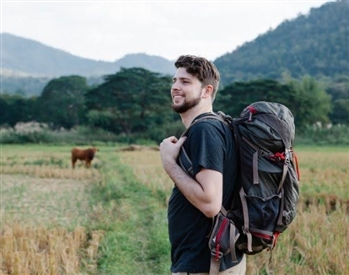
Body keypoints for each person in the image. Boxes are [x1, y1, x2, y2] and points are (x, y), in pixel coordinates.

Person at [160, 55, 246, 275]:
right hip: (217, 259)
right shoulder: (218, 125)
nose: (176, 87)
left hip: (205, 263)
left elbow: (210, 204)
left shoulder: (204, 130)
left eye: (185, 82)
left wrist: (169, 163)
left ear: (207, 91)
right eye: (174, 81)